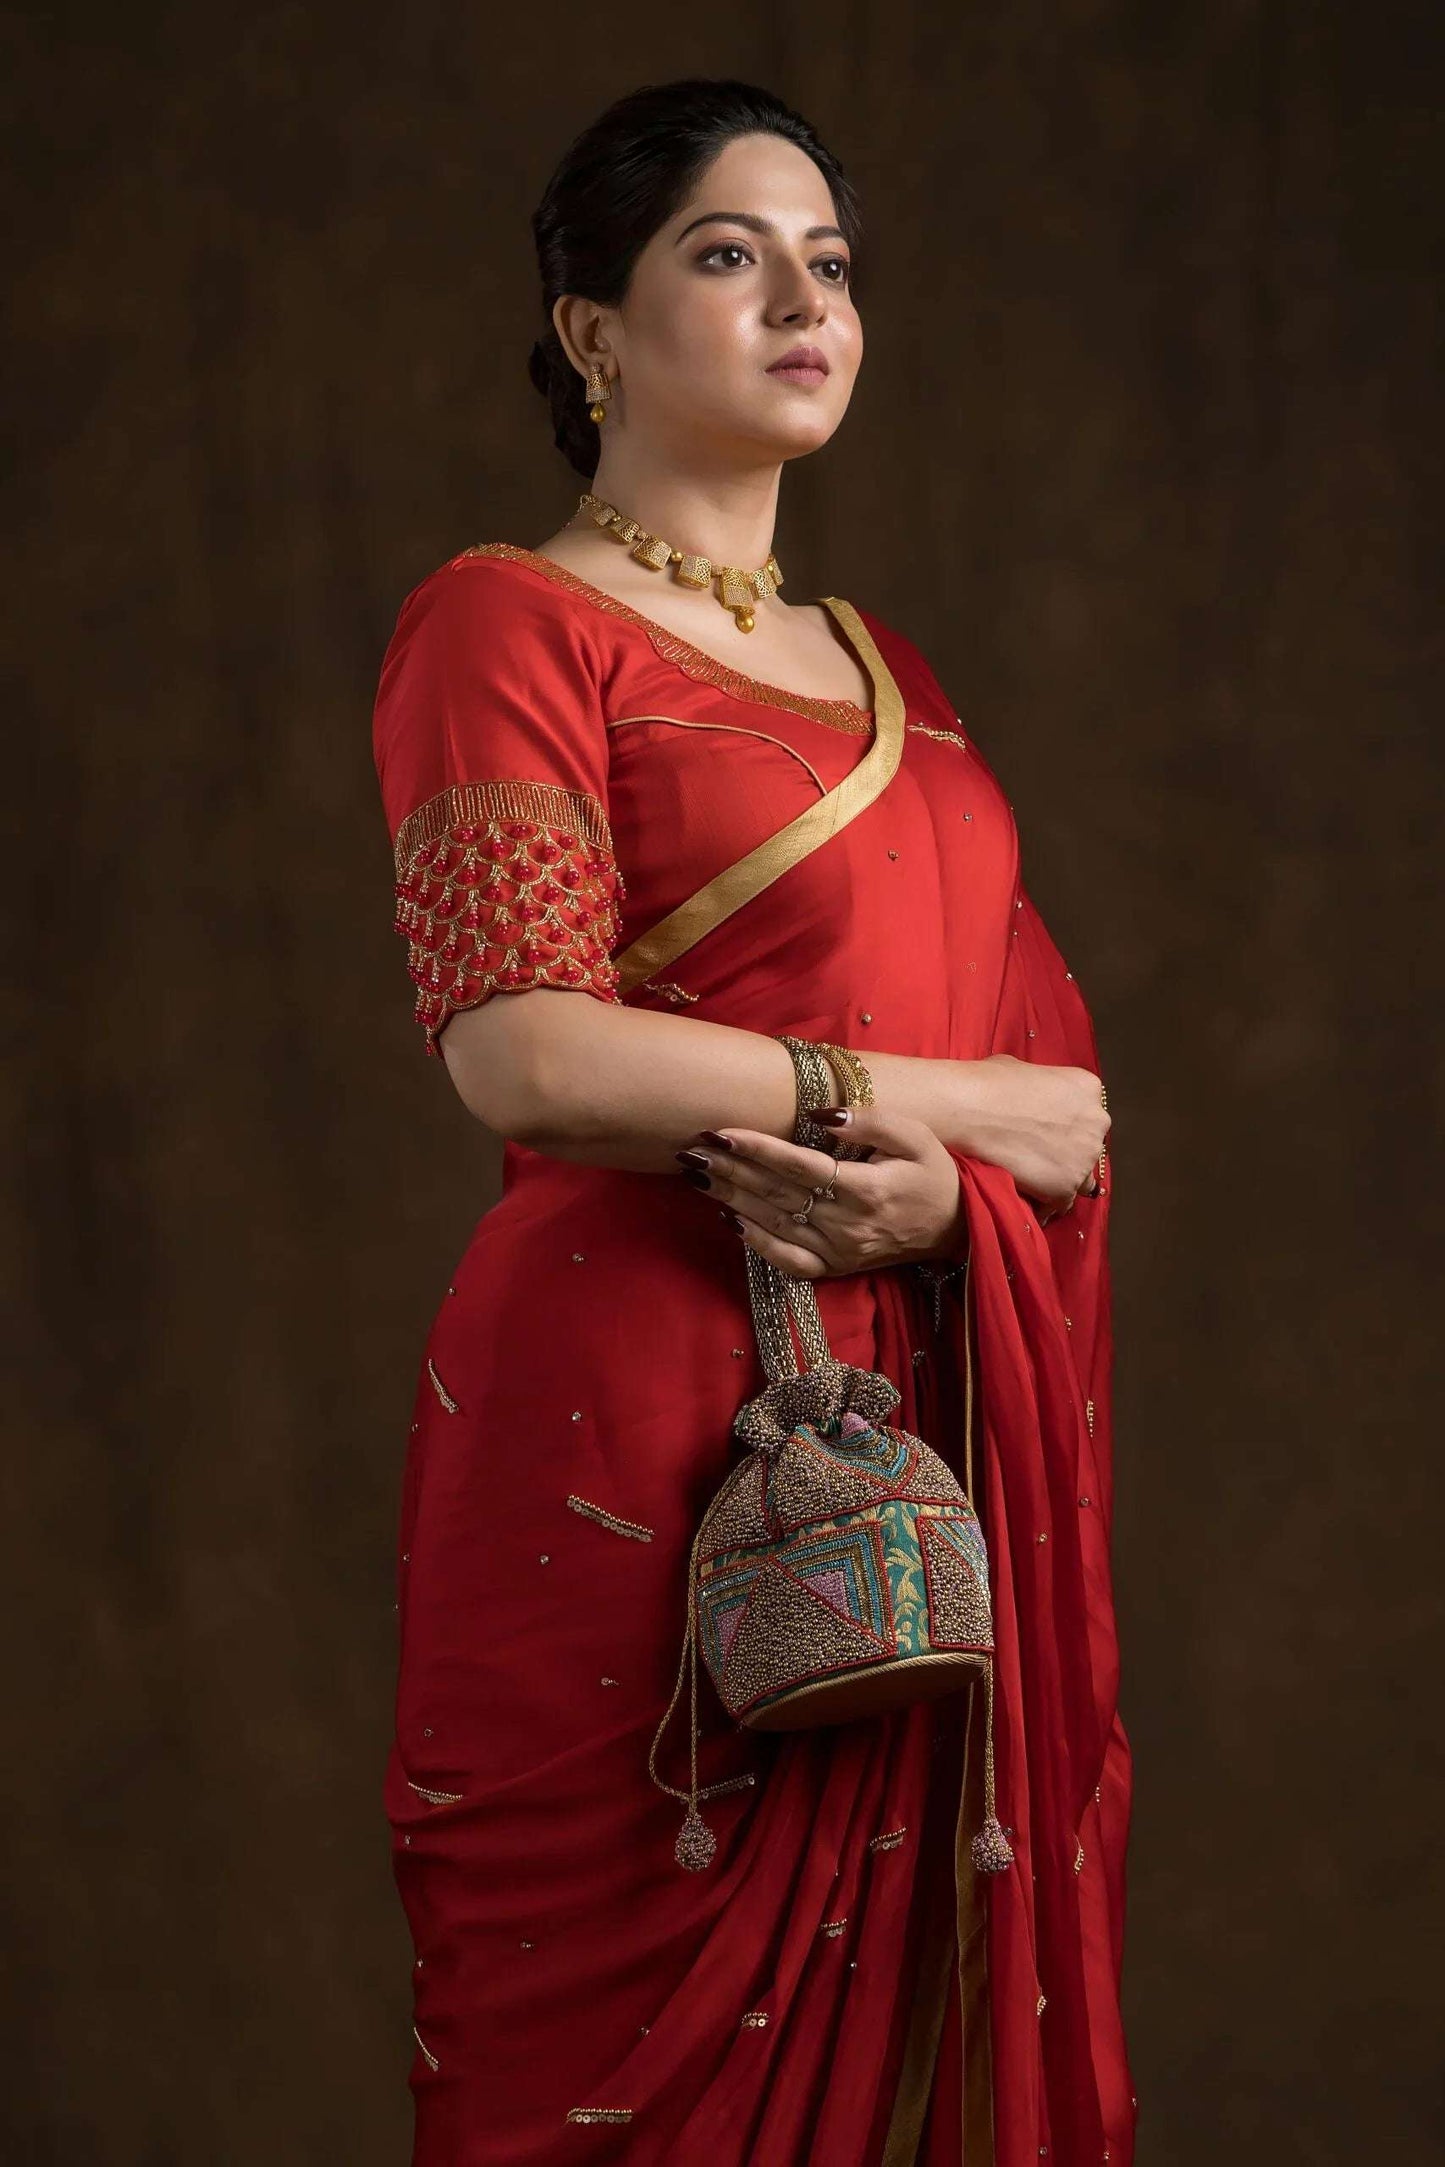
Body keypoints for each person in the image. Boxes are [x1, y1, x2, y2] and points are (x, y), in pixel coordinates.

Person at [371, 76, 1135, 2167]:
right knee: (594, 2062)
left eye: (832, 262)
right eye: (730, 252)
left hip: (903, 1413)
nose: (806, 298)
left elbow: (1055, 1113)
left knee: (884, 2042)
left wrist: (949, 1187)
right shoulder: (503, 625)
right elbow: (523, 1050)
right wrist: (933, 1103)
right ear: (594, 333)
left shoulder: (898, 679)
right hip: (623, 1416)